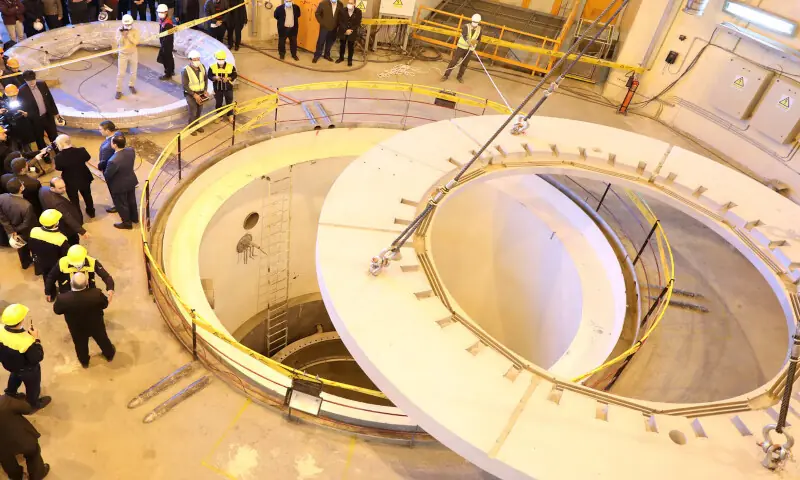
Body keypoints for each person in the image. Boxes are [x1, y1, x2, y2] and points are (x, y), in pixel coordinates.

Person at [53, 272, 116, 368]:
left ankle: (84, 361)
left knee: (80, 343)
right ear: (86, 284)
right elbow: (104, 304)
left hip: (76, 327)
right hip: (96, 324)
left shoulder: (63, 299)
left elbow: (57, 311)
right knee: (102, 339)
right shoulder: (96, 294)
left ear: (71, 283)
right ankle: (109, 354)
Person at [0, 304, 50, 411]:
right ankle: (33, 404)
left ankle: (10, 392)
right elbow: (37, 358)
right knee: (33, 387)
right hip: (28, 370)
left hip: (10, 365)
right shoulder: (26, 341)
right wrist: (36, 339)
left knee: (15, 375)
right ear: (21, 321)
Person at [0, 393, 50, 480]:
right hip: (20, 439)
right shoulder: (4, 401)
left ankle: (16, 477)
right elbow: (27, 408)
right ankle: (37, 475)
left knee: (6, 459)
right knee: (33, 452)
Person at [45, 244, 114, 301]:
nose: (76, 265)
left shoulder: (92, 262)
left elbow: (106, 276)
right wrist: (48, 291)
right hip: (67, 291)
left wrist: (110, 288)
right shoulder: (62, 262)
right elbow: (51, 277)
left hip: (87, 291)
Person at [52, 134, 94, 218]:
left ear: (60, 144)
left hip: (70, 180)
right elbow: (87, 157)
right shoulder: (82, 150)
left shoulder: (58, 157)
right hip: (84, 177)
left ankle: (78, 216)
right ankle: (91, 212)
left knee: (74, 200)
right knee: (87, 195)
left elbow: (59, 168)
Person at [18, 70, 62, 150]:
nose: (31, 82)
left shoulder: (42, 84)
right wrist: (28, 115)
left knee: (54, 136)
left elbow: (49, 99)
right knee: (40, 139)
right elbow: (22, 107)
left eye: (33, 80)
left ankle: (58, 151)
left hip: (47, 116)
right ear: (25, 80)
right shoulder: (22, 91)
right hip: (35, 120)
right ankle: (45, 155)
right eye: (29, 81)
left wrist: (56, 113)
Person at [39, 177, 87, 245]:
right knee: (73, 241)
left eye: (64, 186)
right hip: (65, 228)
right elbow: (67, 217)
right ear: (52, 188)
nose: (64, 189)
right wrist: (82, 231)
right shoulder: (57, 203)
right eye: (60, 188)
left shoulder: (43, 189)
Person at [103, 134, 138, 229]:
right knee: (132, 200)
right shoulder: (131, 151)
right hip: (130, 180)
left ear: (114, 145)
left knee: (122, 204)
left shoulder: (113, 160)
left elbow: (107, 175)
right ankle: (135, 218)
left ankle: (127, 223)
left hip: (119, 185)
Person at [0, 178, 34, 268]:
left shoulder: (2, 197)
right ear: (21, 188)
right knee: (31, 246)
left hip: (13, 229)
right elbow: (26, 224)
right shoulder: (26, 205)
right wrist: (15, 230)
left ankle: (25, 264)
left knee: (21, 248)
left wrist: (11, 230)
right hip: (25, 230)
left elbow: (2, 216)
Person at [27, 209, 68, 281]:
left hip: (41, 261)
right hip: (56, 264)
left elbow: (31, 246)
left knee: (47, 277)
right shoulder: (61, 239)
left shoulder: (34, 231)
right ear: (56, 224)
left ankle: (50, 290)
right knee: (62, 279)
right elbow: (65, 255)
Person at [441, 13, 482, 84]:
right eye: (474, 22)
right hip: (461, 47)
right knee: (454, 61)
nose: (474, 24)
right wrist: (469, 42)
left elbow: (479, 39)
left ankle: (459, 76)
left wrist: (475, 42)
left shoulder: (479, 29)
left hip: (470, 50)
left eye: (476, 22)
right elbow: (464, 35)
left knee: (465, 64)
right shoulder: (466, 26)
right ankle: (446, 75)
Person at [182, 50, 208, 133]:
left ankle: (197, 125)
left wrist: (205, 90)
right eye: (195, 60)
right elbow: (185, 86)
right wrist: (194, 95)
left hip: (200, 93)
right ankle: (191, 127)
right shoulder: (185, 71)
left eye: (198, 59)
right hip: (190, 94)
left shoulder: (202, 67)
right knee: (193, 111)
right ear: (190, 60)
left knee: (199, 110)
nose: (197, 61)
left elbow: (205, 79)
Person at [115, 14, 140, 99]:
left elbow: (136, 42)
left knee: (134, 72)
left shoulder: (135, 31)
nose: (128, 26)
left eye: (129, 25)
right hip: (123, 54)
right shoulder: (119, 30)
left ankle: (131, 85)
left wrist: (129, 36)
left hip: (133, 53)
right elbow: (118, 43)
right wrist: (123, 36)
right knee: (121, 73)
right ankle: (118, 90)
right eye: (126, 25)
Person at [209, 50, 236, 123]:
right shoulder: (212, 67)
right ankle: (219, 116)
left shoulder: (230, 67)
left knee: (229, 102)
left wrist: (228, 78)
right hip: (217, 88)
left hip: (228, 88)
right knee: (218, 103)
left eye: (222, 59)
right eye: (219, 59)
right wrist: (215, 78)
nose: (221, 61)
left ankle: (230, 115)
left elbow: (234, 75)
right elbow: (209, 75)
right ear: (216, 59)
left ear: (224, 59)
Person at [335, 0, 360, 67]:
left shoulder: (358, 12)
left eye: (351, 3)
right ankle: (341, 58)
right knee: (342, 45)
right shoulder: (342, 10)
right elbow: (340, 21)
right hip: (343, 31)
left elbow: (357, 23)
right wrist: (346, 30)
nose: (349, 4)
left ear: (354, 4)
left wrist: (350, 30)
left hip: (352, 32)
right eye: (349, 3)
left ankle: (349, 60)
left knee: (351, 46)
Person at [156, 4, 174, 80]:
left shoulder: (168, 23)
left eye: (162, 12)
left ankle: (168, 74)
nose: (160, 14)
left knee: (166, 58)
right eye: (159, 12)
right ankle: (171, 70)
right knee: (169, 57)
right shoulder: (162, 21)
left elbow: (168, 37)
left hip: (166, 44)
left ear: (166, 12)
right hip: (164, 43)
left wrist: (163, 45)